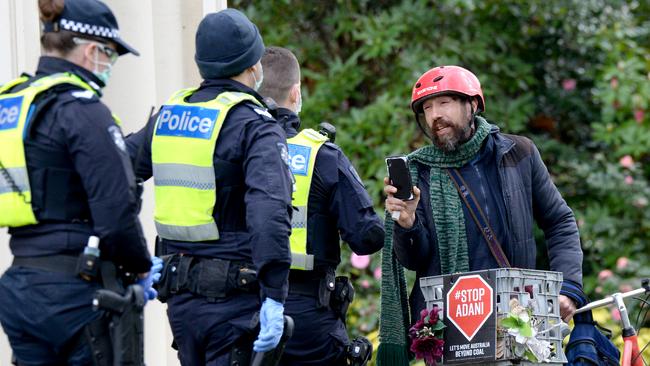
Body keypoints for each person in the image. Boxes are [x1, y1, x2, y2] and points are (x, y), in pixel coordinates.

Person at [125, 9, 293, 365]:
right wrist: (275, 295)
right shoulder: (255, 126)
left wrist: (133, 256)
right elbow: (269, 214)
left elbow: (116, 171)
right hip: (235, 303)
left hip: (180, 300)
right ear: (252, 67)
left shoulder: (169, 116)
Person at [0, 0, 158, 364]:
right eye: (112, 55)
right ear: (92, 50)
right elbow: (116, 213)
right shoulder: (83, 110)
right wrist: (143, 267)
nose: (110, 65)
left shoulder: (14, 104)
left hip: (21, 282)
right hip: (76, 293)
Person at [382, 65, 585, 336]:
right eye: (427, 109)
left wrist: (568, 288)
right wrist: (406, 225)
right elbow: (415, 260)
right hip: (450, 328)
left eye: (444, 103)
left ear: (473, 105)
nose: (435, 116)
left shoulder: (518, 154)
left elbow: (559, 222)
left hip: (517, 318)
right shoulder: (421, 172)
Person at [259, 46, 385, 365]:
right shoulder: (321, 156)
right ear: (296, 93)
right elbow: (367, 236)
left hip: (244, 309)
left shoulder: (234, 144)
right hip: (308, 319)